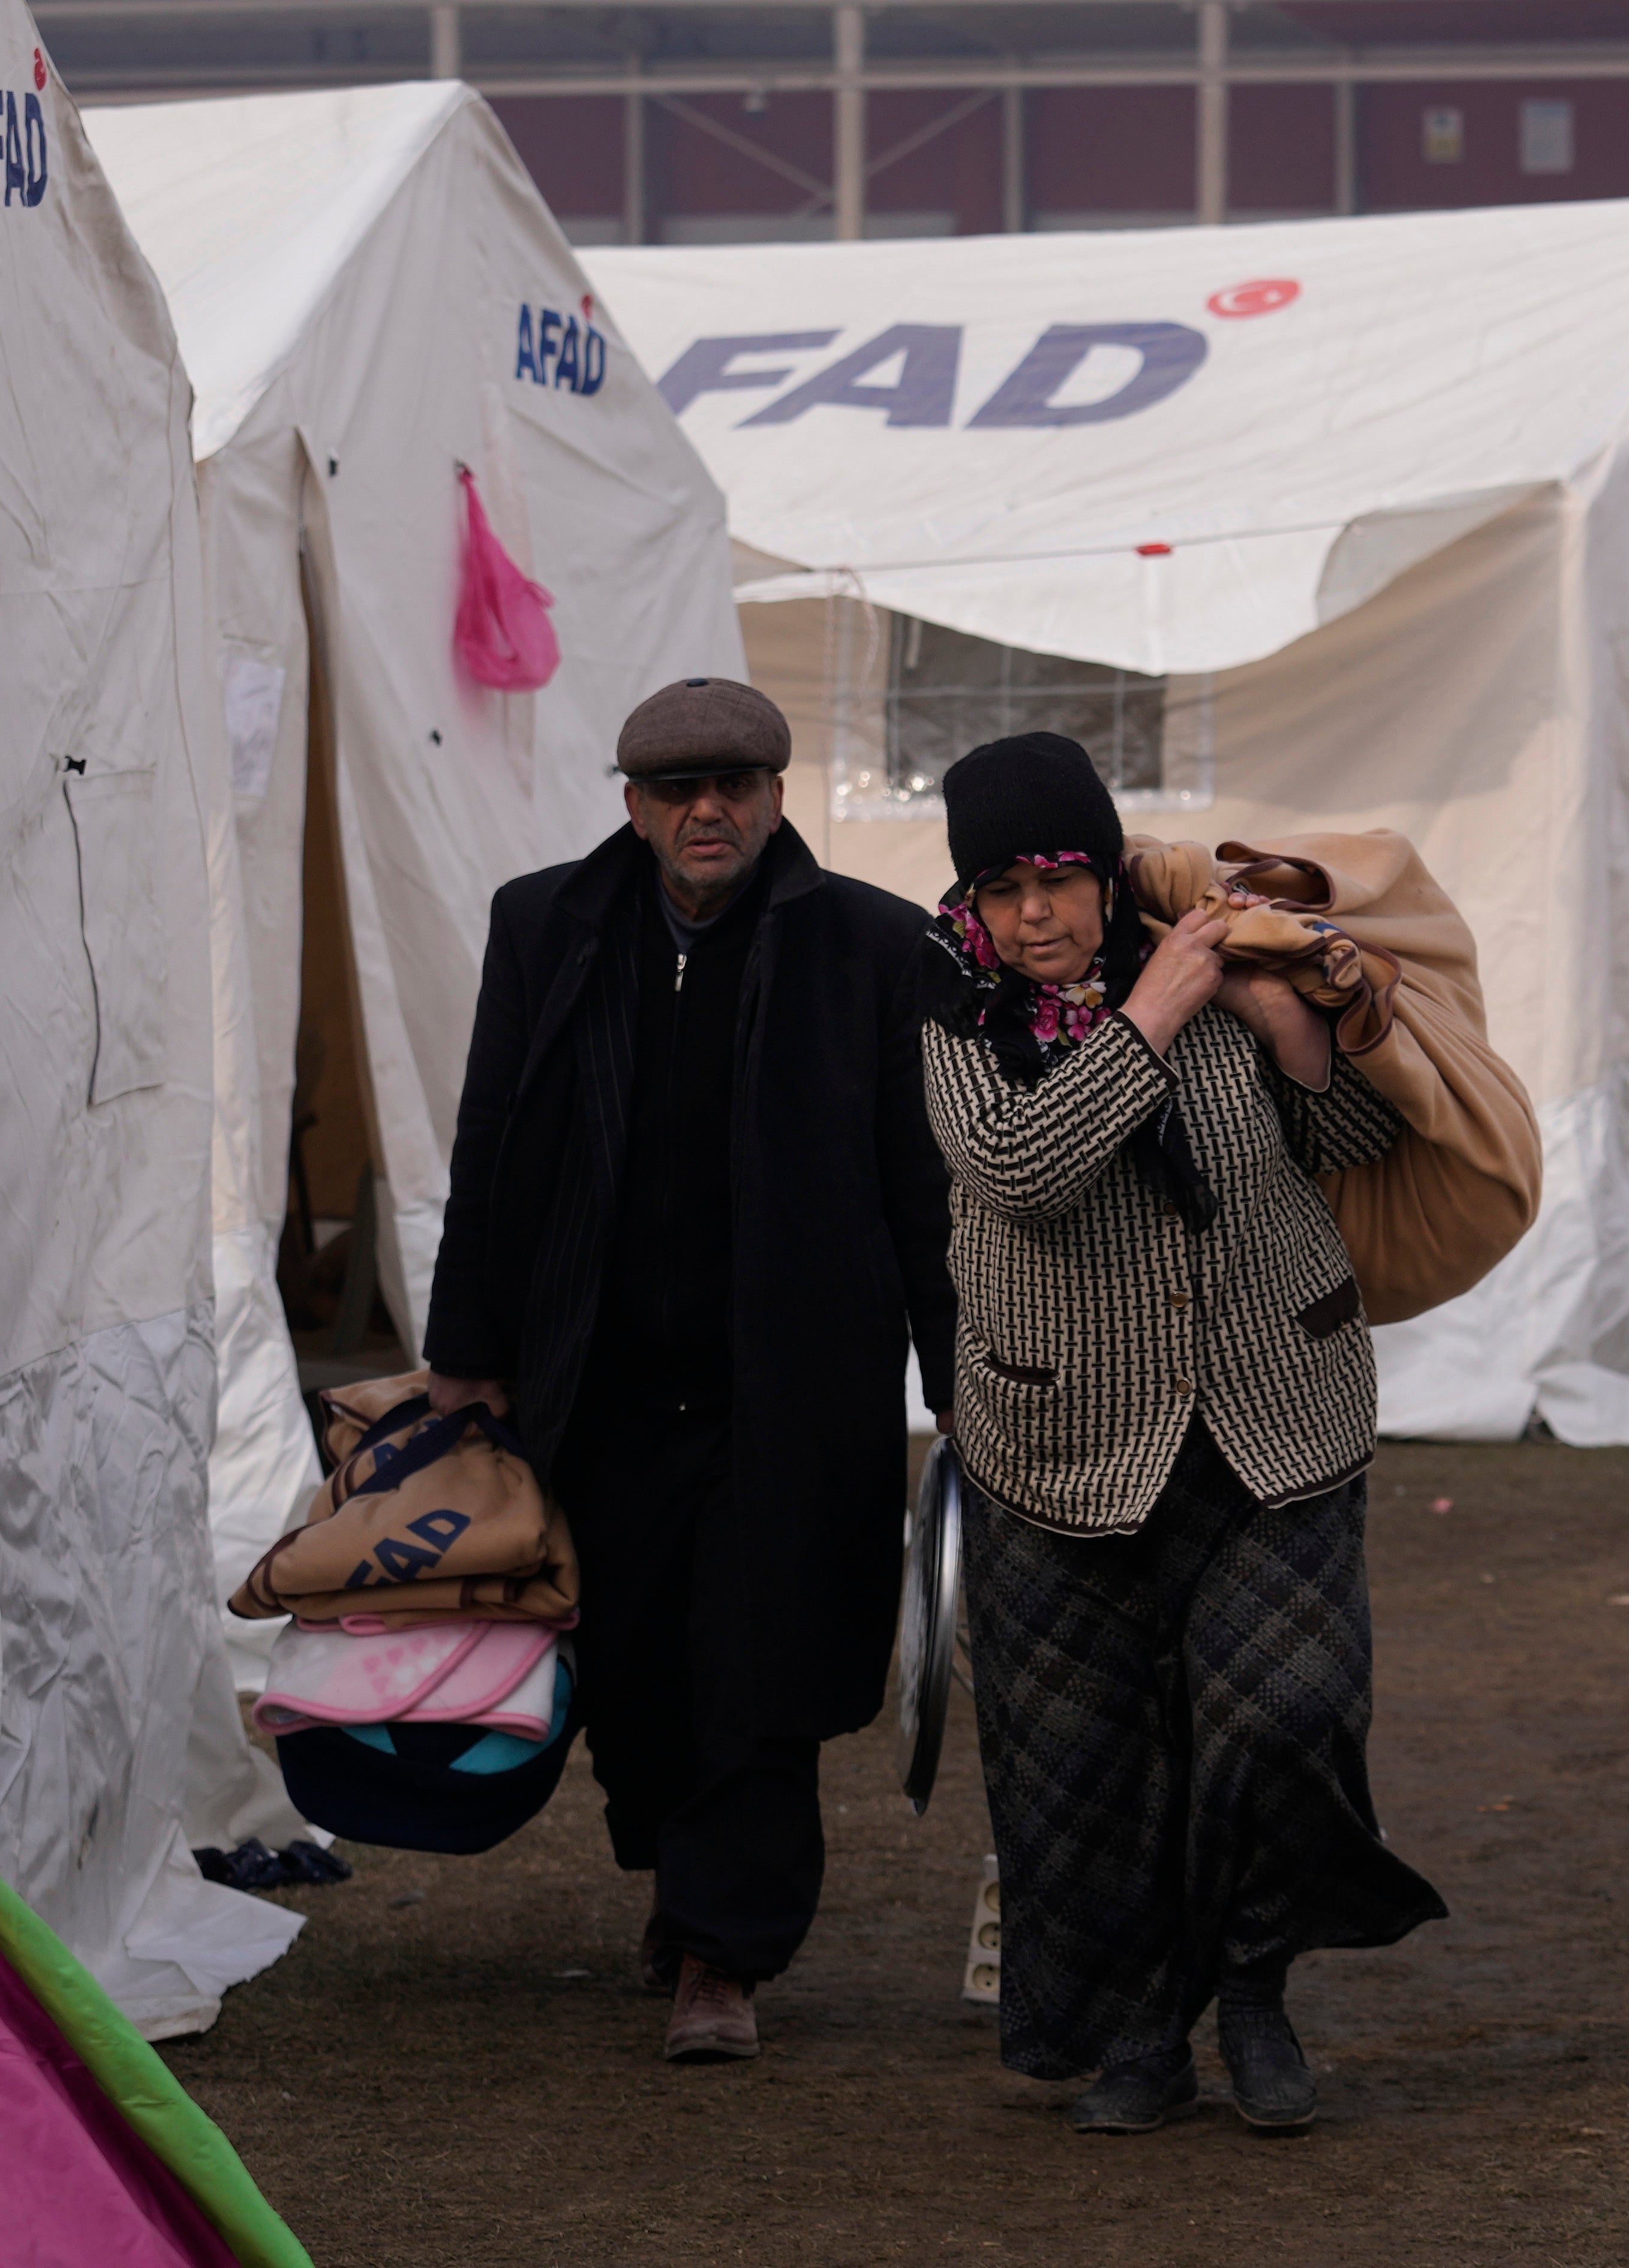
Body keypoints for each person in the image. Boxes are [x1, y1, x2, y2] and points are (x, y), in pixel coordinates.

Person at [423, 675, 957, 2064]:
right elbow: (491, 1141)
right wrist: (465, 1353)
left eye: (734, 785)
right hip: (590, 1375)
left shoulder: (871, 947)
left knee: (757, 1665)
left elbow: (920, 1185)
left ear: (777, 798)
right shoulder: (546, 925)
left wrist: (967, 1384)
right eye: (677, 789)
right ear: (633, 804)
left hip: (785, 1385)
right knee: (633, 1665)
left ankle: (725, 1949)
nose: (706, 810)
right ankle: (679, 1878)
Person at [919, 733, 1445, 2135]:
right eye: (1006, 887)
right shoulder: (952, 1018)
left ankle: (1256, 1988)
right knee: (1096, 1760)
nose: (1039, 915)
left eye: (1061, 879)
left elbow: (1339, 1140)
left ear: (1102, 872)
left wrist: (1295, 1038)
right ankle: (1145, 2026)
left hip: (1272, 1409)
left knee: (1283, 1714)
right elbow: (1024, 1171)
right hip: (1064, 1436)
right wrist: (1146, 1018)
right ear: (970, 900)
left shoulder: (1212, 967)